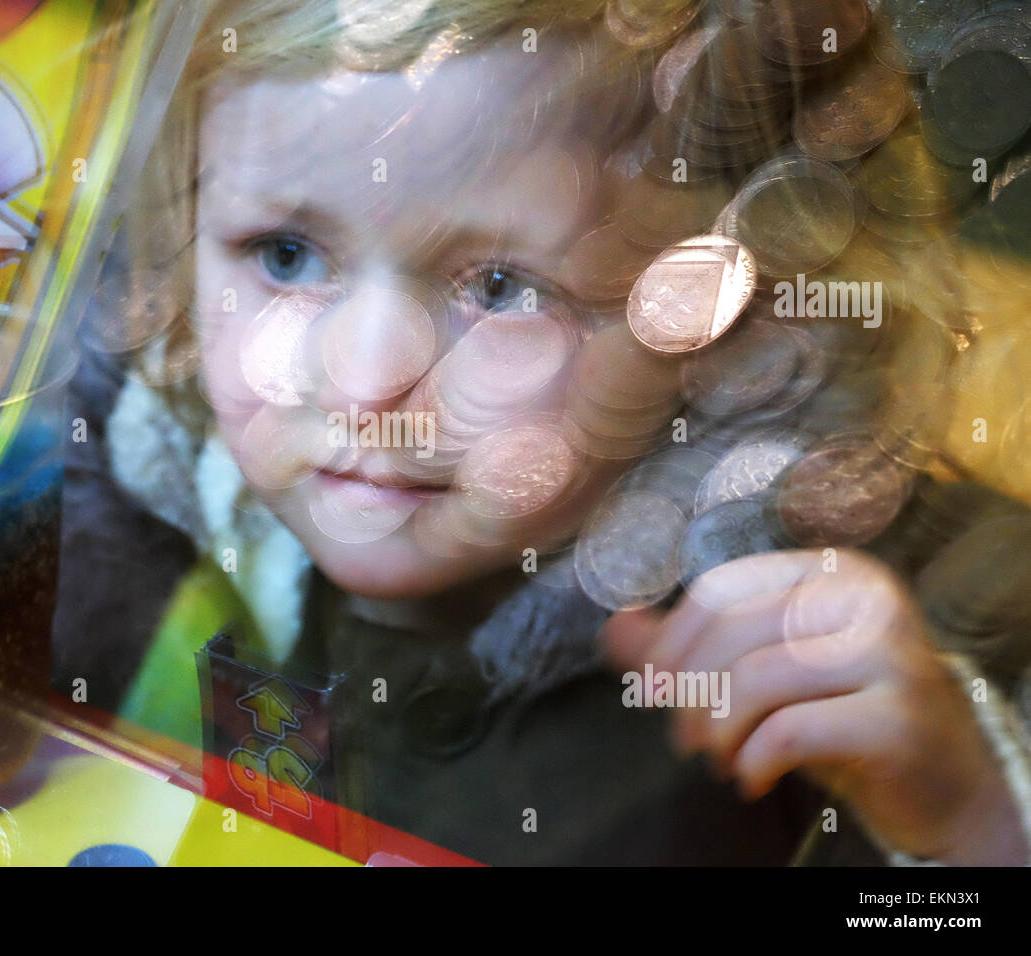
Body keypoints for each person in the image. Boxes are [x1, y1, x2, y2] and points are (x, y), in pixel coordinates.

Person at [53, 0, 1031, 865]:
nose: (357, 381)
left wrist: (968, 817)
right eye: (286, 254)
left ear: (739, 318)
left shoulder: (904, 622)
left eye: (500, 287)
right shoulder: (122, 491)